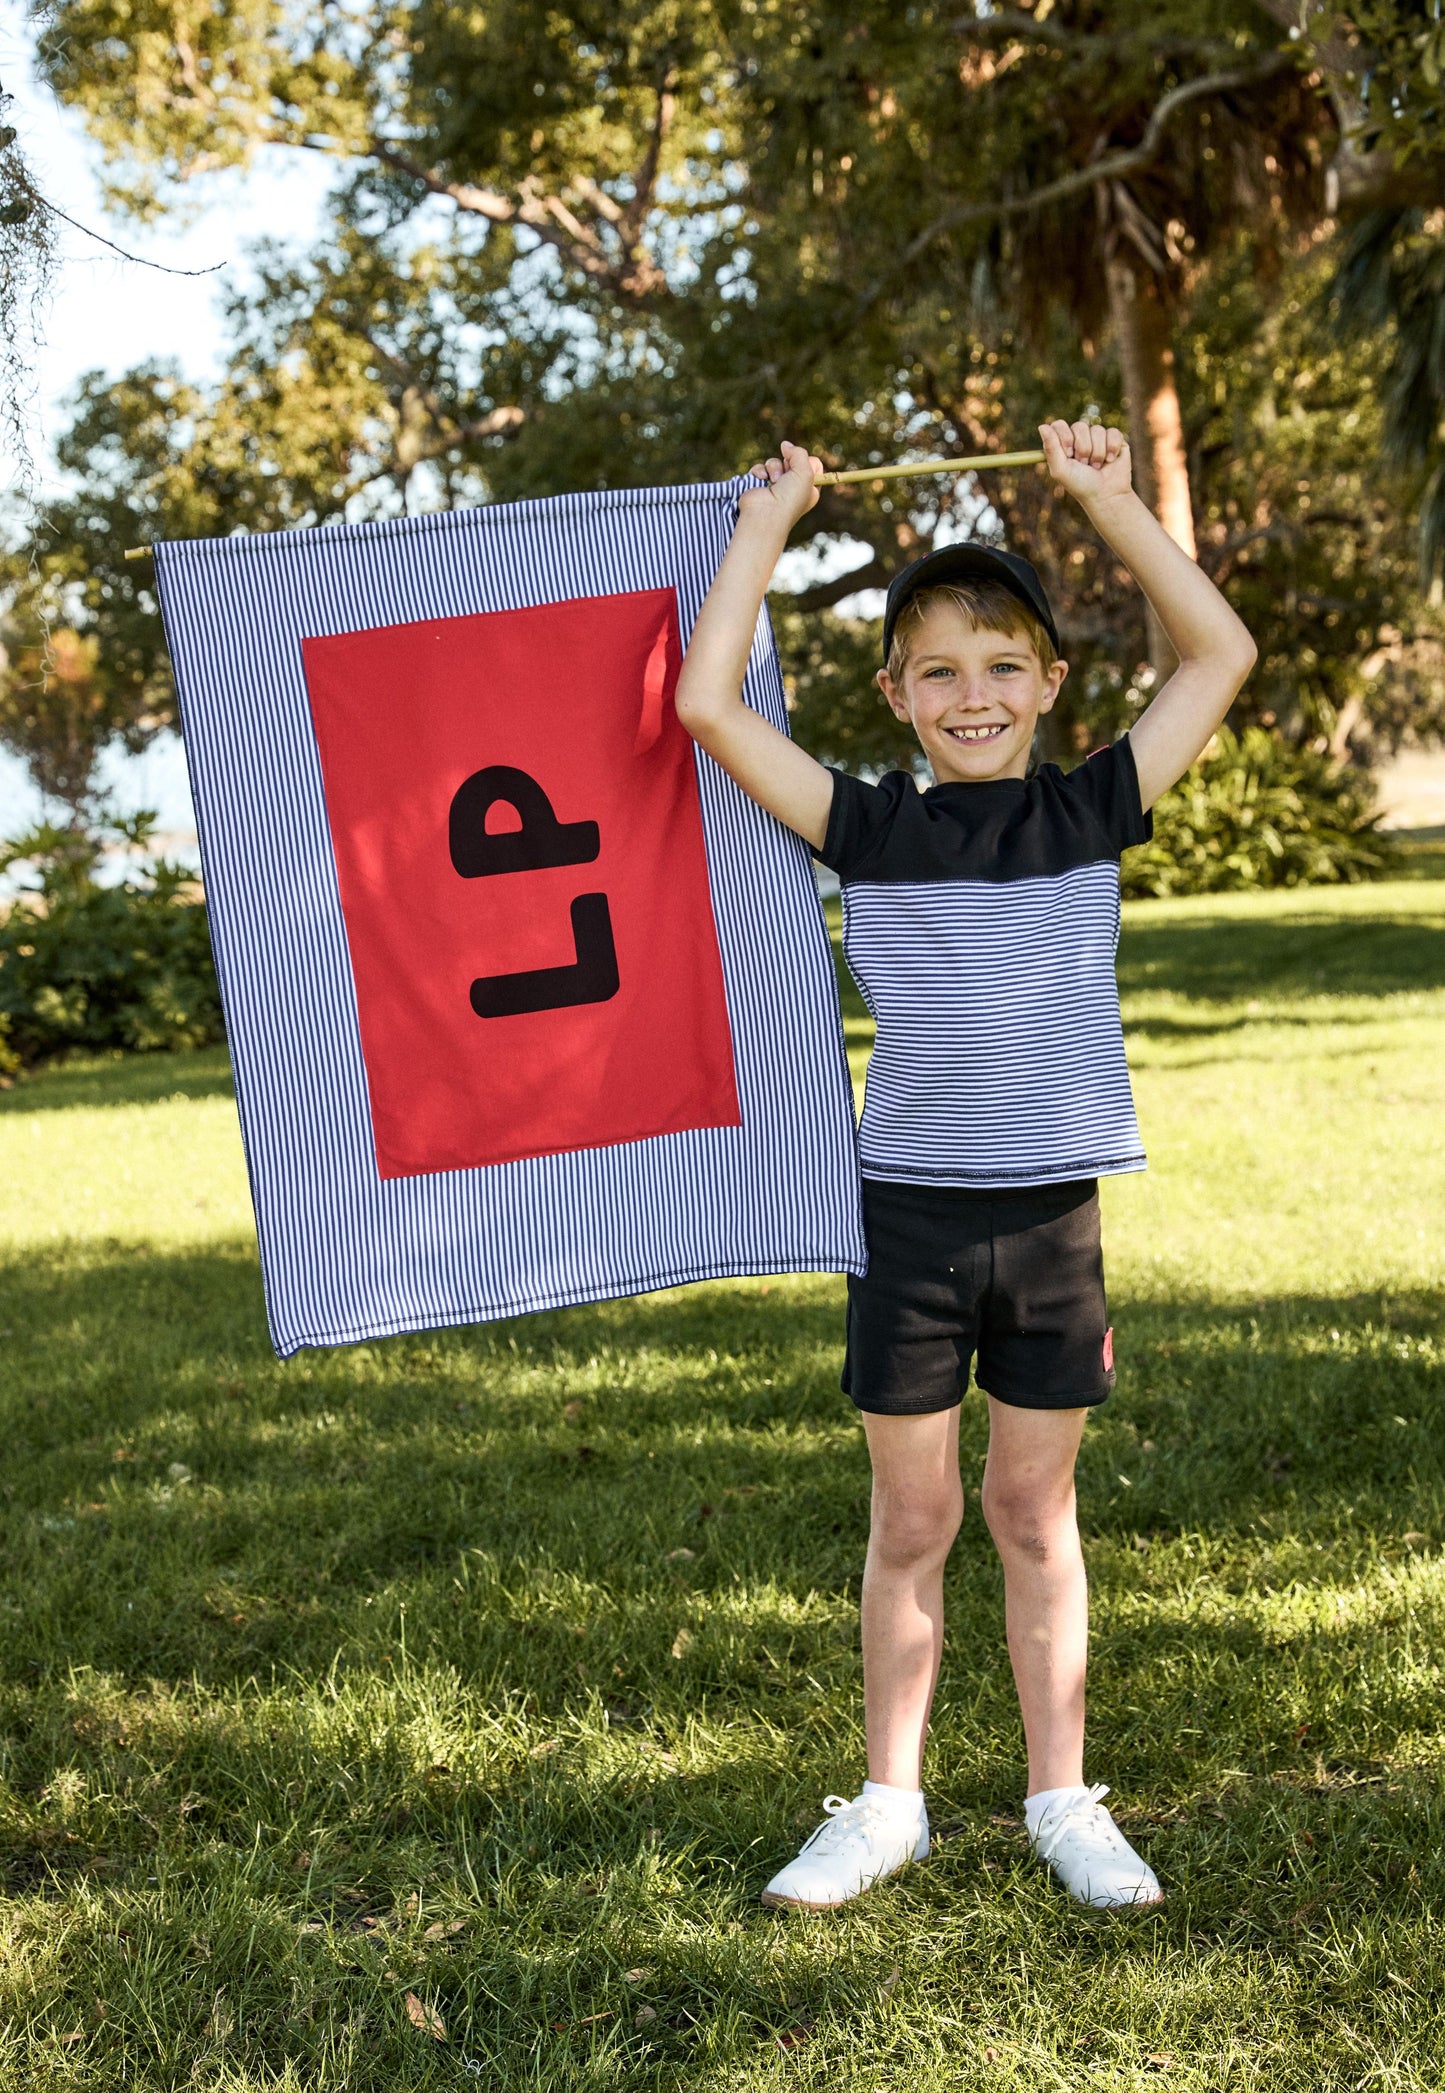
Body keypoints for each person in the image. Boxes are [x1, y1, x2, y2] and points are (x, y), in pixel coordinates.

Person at [673, 417, 1256, 1911]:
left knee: (1030, 1511)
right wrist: (767, 525)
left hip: (1053, 1222)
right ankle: (886, 1802)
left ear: (1050, 685)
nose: (973, 694)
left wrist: (1109, 500)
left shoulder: (1089, 810)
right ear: (894, 695)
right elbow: (707, 704)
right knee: (914, 1518)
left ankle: (1063, 1798)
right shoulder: (864, 827)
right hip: (908, 1225)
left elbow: (1217, 655)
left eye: (1002, 665)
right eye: (937, 669)